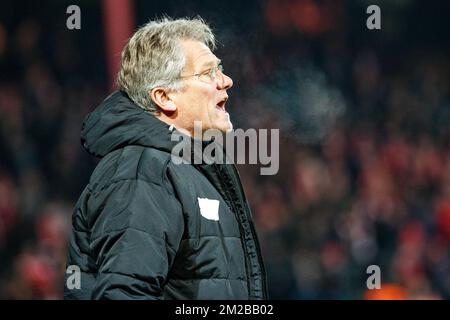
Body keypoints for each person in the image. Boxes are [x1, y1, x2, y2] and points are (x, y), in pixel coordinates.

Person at [64, 17, 268, 300]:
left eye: (220, 69)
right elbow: (125, 294)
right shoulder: (142, 170)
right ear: (164, 97)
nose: (227, 80)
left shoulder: (188, 169)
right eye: (208, 72)